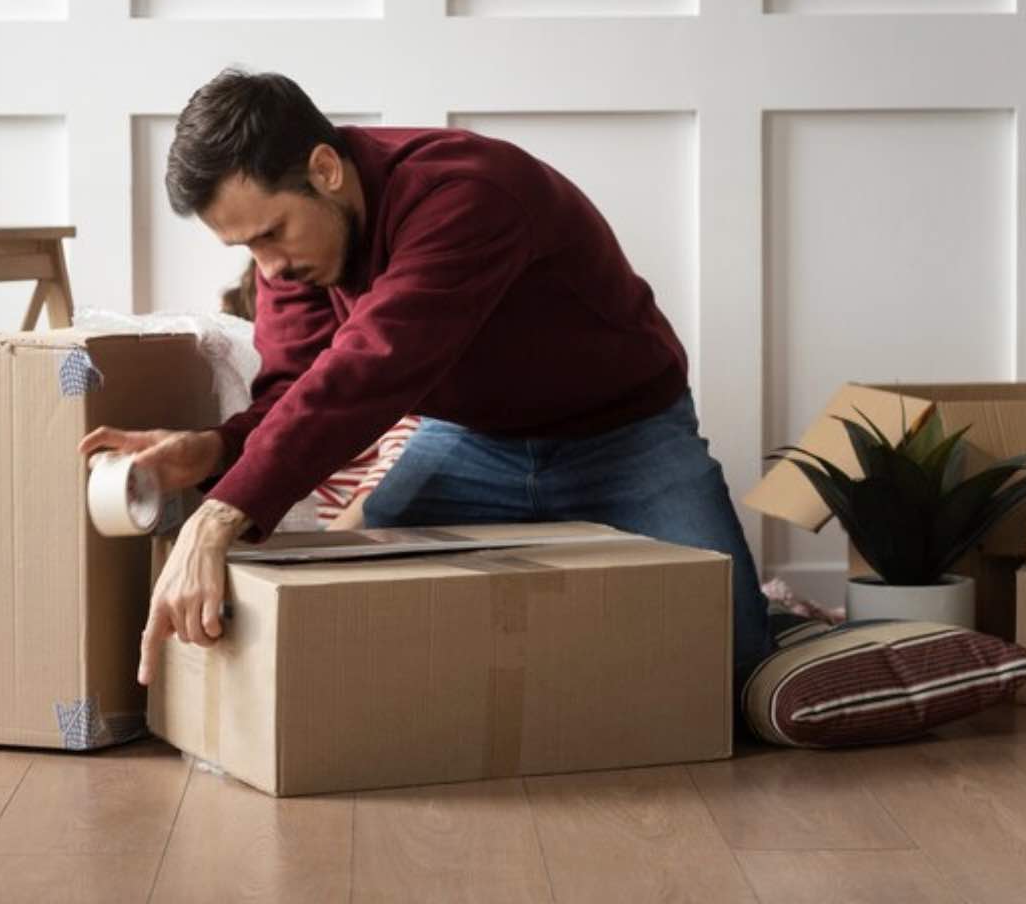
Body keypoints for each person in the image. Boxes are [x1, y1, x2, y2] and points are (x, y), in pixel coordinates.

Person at [79, 68, 772, 694]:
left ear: (324, 169)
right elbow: (295, 387)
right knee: (352, 623)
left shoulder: (470, 193)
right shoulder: (302, 256)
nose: (269, 269)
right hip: (474, 444)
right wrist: (212, 450)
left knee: (736, 666)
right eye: (246, 249)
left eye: (272, 233)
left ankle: (787, 628)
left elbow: (372, 367)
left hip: (627, 437)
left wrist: (217, 518)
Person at [218, 261, 419, 531]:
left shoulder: (381, 389)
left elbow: (403, 454)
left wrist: (336, 540)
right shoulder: (280, 405)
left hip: (349, 532)